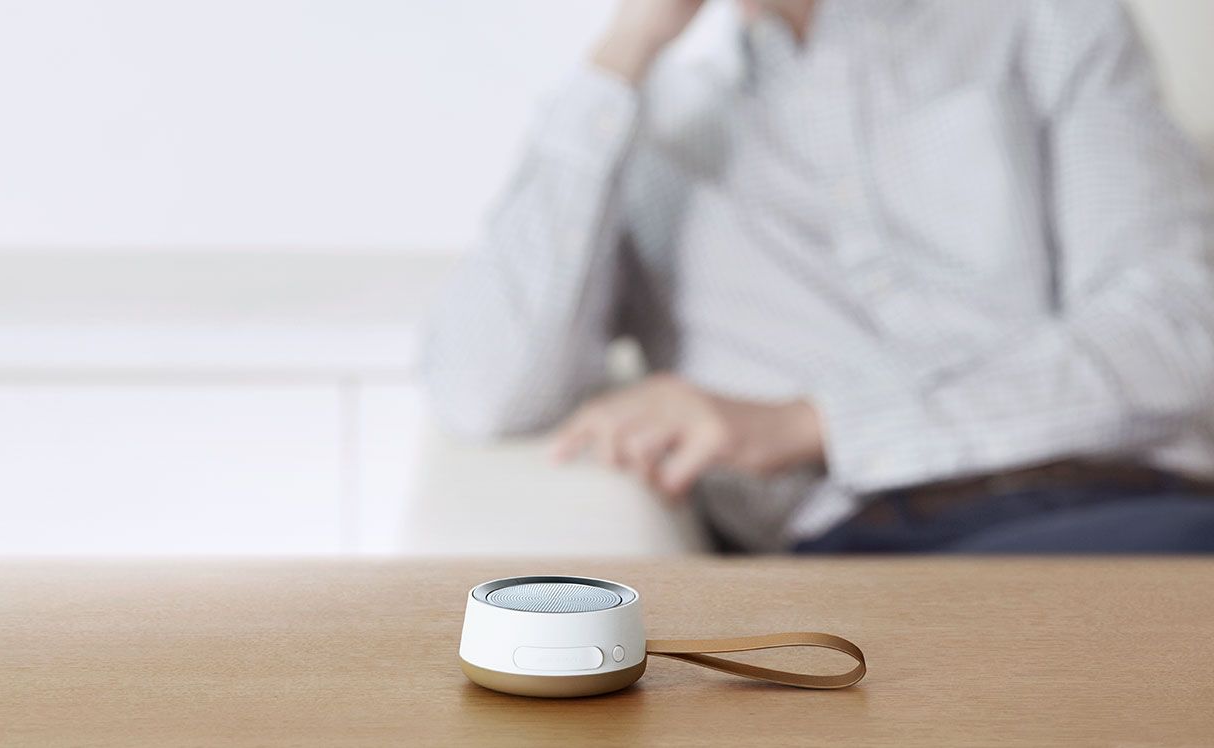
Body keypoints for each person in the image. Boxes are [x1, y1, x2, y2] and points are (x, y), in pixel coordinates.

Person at [421, 0, 1214, 553]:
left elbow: (1178, 337)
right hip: (868, 555)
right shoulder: (650, 136)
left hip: (1137, 506)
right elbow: (481, 390)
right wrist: (623, 46)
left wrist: (812, 423)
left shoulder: (1046, 24)